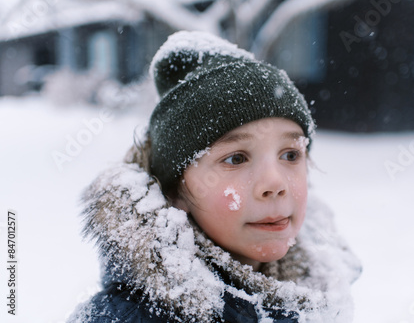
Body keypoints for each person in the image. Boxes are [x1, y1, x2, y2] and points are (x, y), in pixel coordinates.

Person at [68, 31, 361, 323]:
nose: (275, 184)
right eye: (236, 158)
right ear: (175, 191)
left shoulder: (319, 293)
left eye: (290, 155)